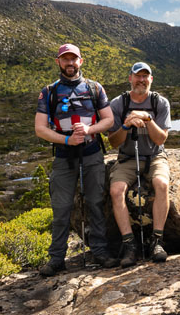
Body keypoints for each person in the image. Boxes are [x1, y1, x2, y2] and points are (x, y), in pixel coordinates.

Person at [35, 43, 119, 277]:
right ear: (58, 62)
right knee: (61, 208)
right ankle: (56, 258)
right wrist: (66, 140)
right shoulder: (49, 92)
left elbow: (109, 120)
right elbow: (40, 129)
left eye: (74, 59)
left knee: (95, 203)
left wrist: (90, 128)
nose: (70, 63)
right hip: (64, 156)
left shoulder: (94, 88)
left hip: (92, 153)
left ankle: (100, 252)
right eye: (65, 59)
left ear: (81, 61)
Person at [108, 62, 172, 266]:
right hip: (127, 157)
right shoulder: (118, 104)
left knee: (161, 185)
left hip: (154, 157)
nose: (141, 80)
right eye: (138, 76)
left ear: (151, 80)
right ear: (130, 78)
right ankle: (129, 244)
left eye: (146, 77)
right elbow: (113, 141)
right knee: (117, 191)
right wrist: (126, 125)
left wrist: (148, 120)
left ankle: (157, 240)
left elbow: (161, 139)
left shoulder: (160, 103)